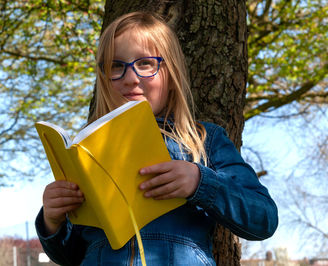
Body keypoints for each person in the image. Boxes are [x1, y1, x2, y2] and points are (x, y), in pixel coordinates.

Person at [35, 11, 278, 266]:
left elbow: (264, 219)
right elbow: (73, 255)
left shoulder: (202, 140)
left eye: (145, 63)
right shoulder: (88, 152)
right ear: (104, 79)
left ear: (171, 74)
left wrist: (200, 182)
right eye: (116, 66)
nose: (130, 78)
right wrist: (53, 221)